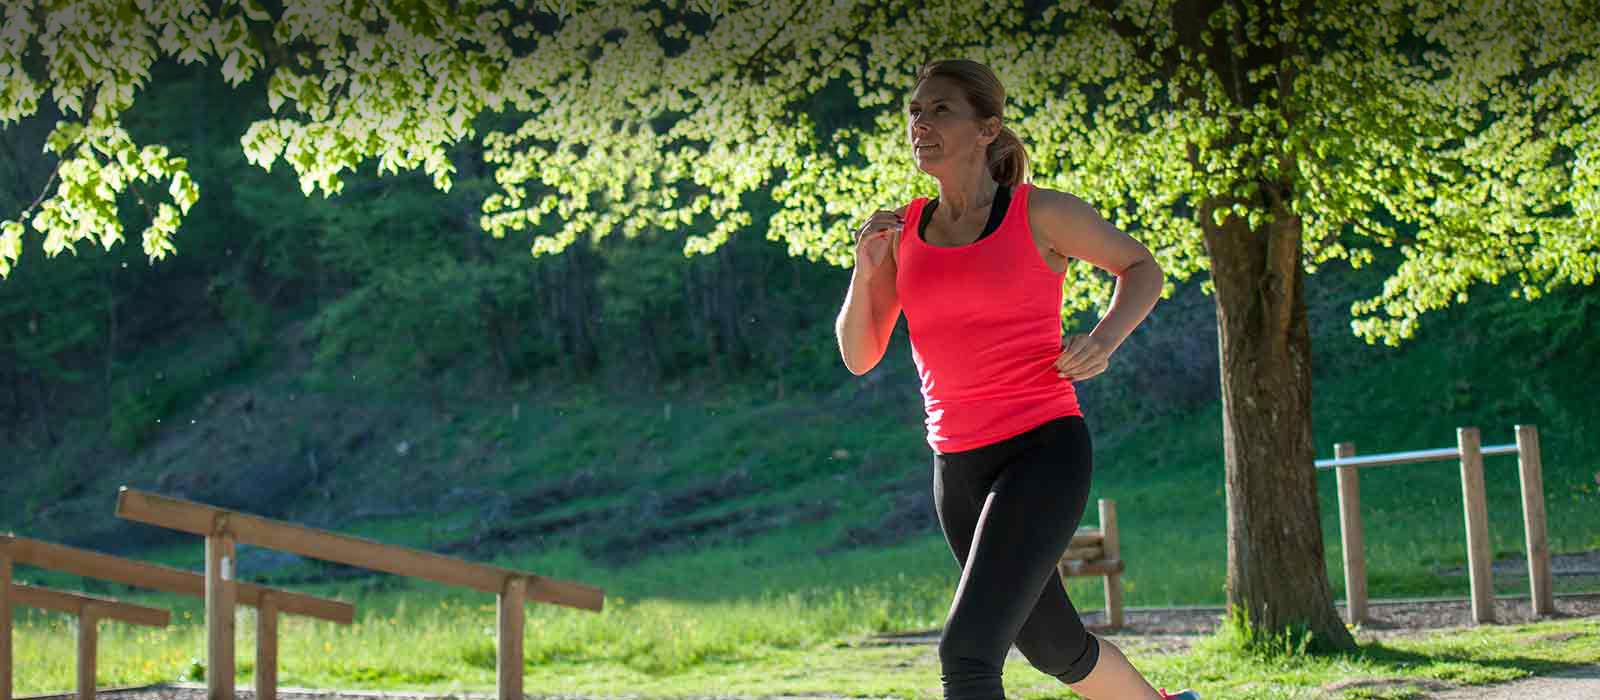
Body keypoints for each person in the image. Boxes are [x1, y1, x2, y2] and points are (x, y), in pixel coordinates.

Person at [834, 59, 1198, 700]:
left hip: (1041, 449)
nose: (921, 122)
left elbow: (1140, 266)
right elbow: (859, 354)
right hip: (957, 466)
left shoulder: (1041, 214)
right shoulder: (900, 233)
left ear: (987, 127)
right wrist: (865, 271)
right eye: (915, 110)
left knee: (968, 650)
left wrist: (1104, 338)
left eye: (941, 109)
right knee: (1054, 644)